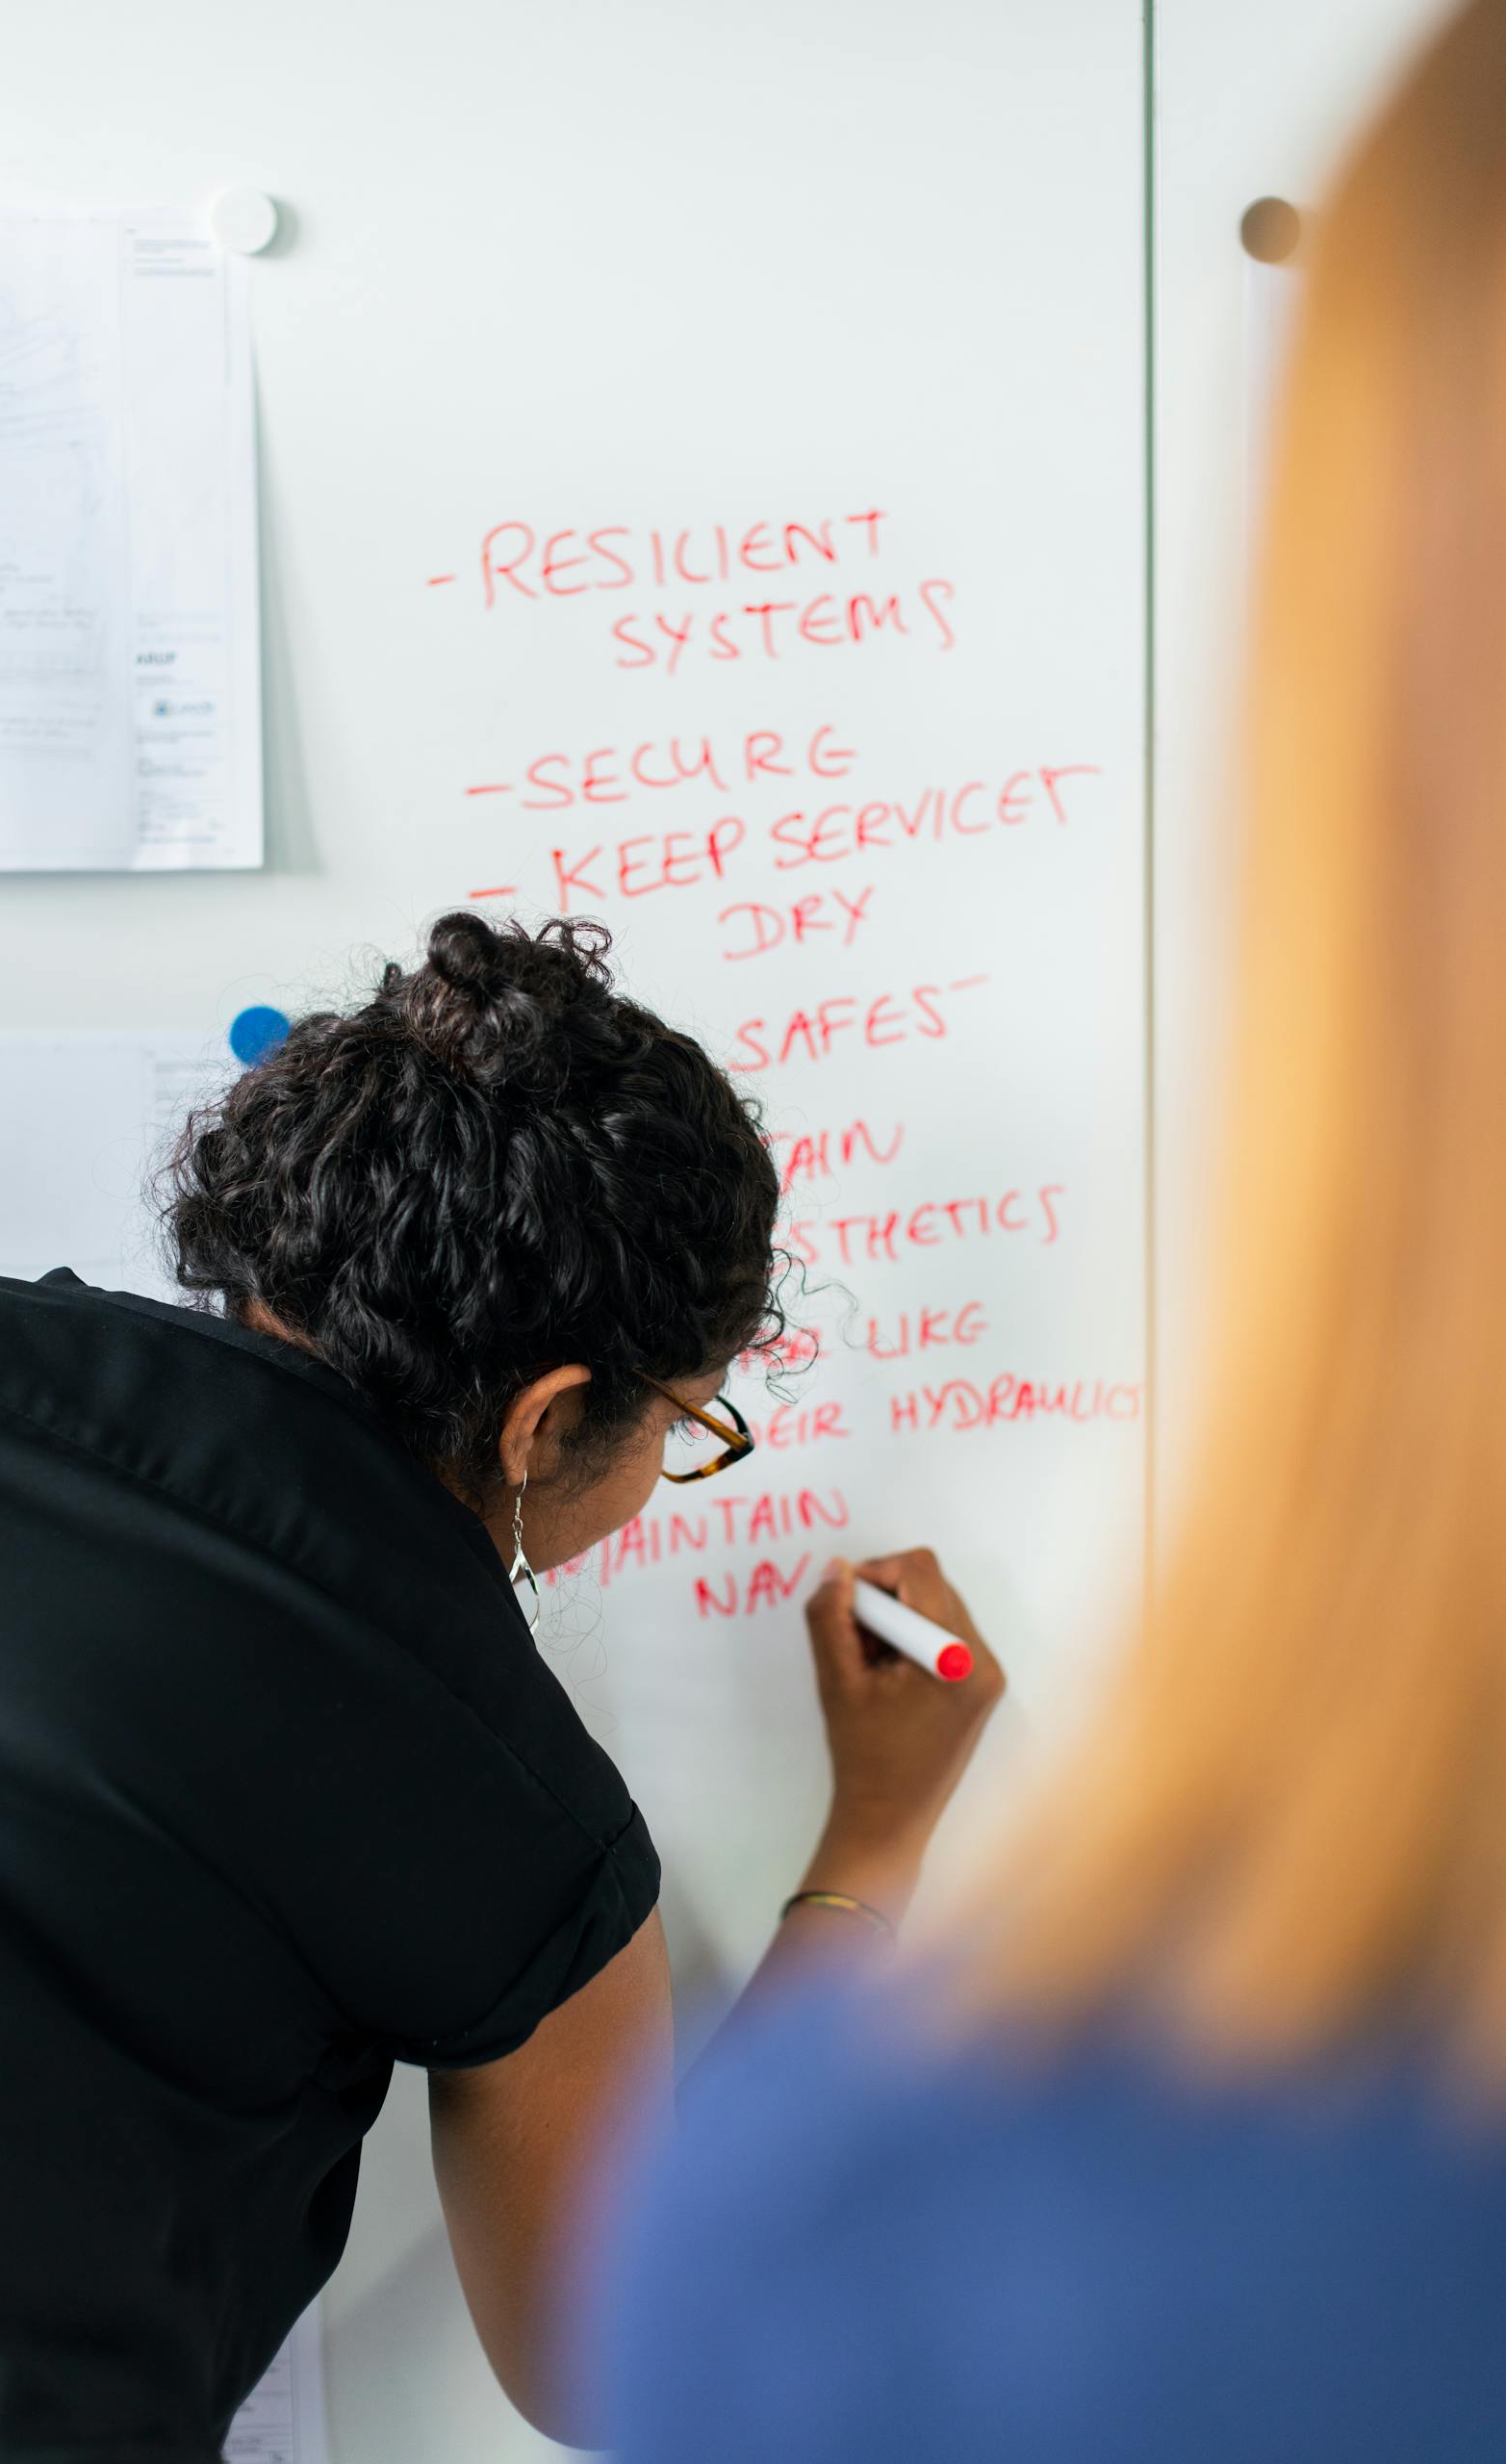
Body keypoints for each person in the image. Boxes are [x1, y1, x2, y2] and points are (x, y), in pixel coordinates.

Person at [599, 5, 1506, 2458]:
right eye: (692, 1432)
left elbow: (617, 2357)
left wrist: (881, 1837)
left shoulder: (962, 2242)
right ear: (552, 1413)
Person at [0, 910, 998, 2462]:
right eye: (685, 1425)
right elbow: (619, 2359)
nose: (672, 1469)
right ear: (545, 1421)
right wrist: (877, 1829)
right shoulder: (501, 1794)